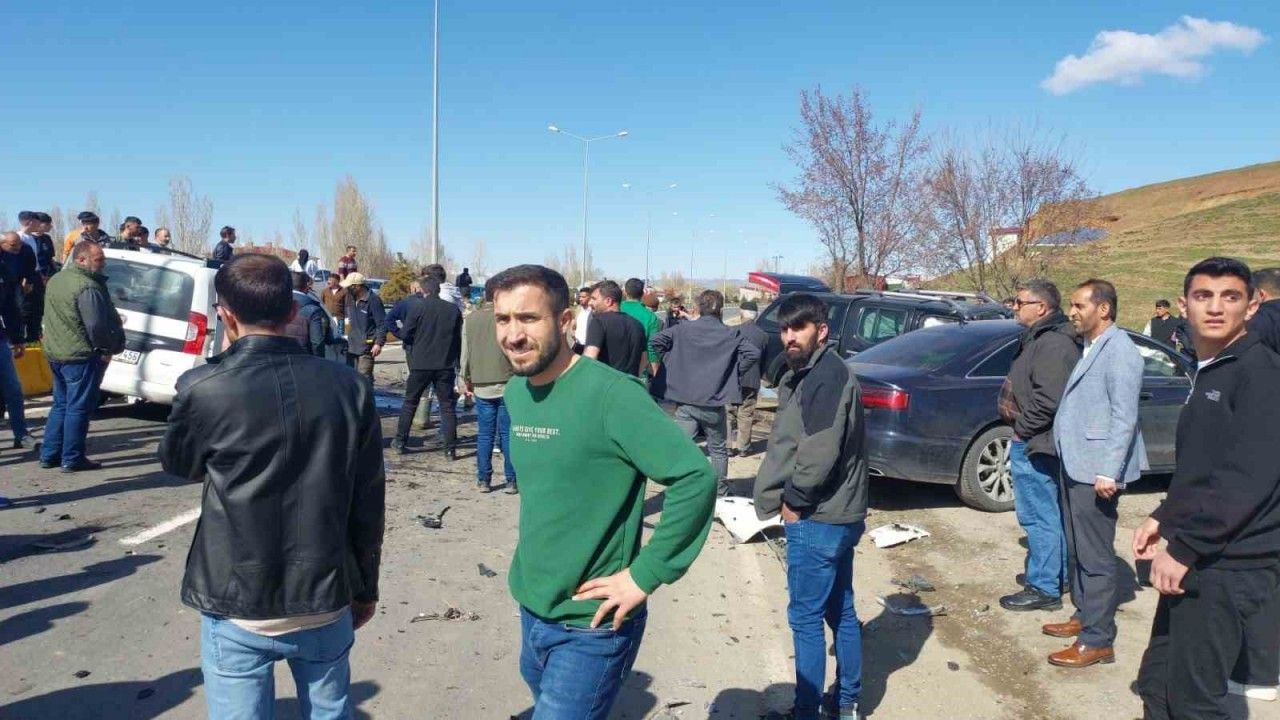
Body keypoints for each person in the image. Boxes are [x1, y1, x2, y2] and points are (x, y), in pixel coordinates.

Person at [158, 253, 384, 720]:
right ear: (293, 311)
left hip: (237, 597)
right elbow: (368, 500)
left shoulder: (203, 386)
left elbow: (181, 465)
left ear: (225, 315)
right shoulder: (349, 387)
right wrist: (365, 587)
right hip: (324, 593)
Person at [491, 264, 716, 719]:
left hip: (590, 626)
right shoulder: (517, 392)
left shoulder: (614, 395)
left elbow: (695, 477)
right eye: (503, 319)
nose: (513, 335)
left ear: (565, 321)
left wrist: (644, 574)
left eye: (528, 318)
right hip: (533, 607)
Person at [1134, 257, 1280, 719]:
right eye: (1204, 296)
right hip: (1204, 553)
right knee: (1158, 683)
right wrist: (1165, 516)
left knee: (1195, 701)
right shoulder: (1215, 367)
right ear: (1185, 305)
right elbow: (1205, 466)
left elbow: (1247, 477)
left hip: (1228, 563)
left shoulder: (1260, 373)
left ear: (1252, 306)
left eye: (1230, 297)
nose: (1215, 308)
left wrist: (1185, 547)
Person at [753, 293, 869, 720]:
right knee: (841, 610)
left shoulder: (826, 376)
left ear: (821, 331)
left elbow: (819, 453)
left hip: (820, 516)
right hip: (840, 514)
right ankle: (846, 702)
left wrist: (794, 503)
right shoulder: (814, 371)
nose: (789, 337)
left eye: (798, 328)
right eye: (784, 329)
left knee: (806, 618)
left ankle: (808, 711)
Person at [1043, 279, 1146, 668]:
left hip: (1097, 472)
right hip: (1077, 464)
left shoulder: (1120, 350)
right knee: (1078, 548)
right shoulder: (1091, 345)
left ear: (1103, 309)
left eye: (1079, 305)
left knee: (1096, 556)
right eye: (1071, 305)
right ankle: (1085, 614)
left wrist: (1109, 470)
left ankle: (1097, 639)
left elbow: (1124, 417)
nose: (1071, 312)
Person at [998, 278, 1080, 612]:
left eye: (1020, 302)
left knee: (1038, 515)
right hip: (1035, 439)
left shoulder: (1054, 344)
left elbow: (1049, 400)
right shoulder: (1040, 338)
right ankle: (1053, 575)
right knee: (1046, 512)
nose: (1014, 307)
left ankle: (1044, 587)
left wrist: (1023, 431)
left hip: (1036, 442)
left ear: (1042, 307)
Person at [651, 290, 761, 497]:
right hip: (714, 401)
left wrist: (674, 365)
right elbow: (753, 353)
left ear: (698, 307)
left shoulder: (682, 329)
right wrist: (734, 372)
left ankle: (681, 487)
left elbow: (656, 341)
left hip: (686, 400)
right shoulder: (729, 333)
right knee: (718, 450)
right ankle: (719, 491)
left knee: (682, 447)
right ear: (721, 309)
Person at [40, 241, 125, 472]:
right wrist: (106, 349)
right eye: (98, 259)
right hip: (79, 356)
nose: (103, 264)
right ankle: (72, 458)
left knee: (61, 404)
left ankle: (49, 454)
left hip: (57, 352)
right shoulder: (88, 287)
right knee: (78, 407)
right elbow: (95, 326)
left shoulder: (57, 279)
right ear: (81, 259)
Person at [390, 277, 462, 458]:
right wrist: (457, 362)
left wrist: (402, 335)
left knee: (410, 402)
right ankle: (450, 449)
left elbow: (405, 333)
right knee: (447, 406)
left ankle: (400, 441)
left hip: (420, 363)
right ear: (438, 290)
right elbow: (458, 339)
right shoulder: (453, 310)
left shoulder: (418, 307)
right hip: (445, 364)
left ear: (423, 290)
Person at [462, 277, 516, 494]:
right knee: (507, 433)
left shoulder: (471, 319)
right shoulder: (507, 318)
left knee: (485, 434)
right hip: (507, 381)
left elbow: (465, 353)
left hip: (481, 382)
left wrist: (465, 378)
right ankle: (512, 480)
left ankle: (484, 480)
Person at [0, 248, 37, 459]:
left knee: (13, 389)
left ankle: (21, 434)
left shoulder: (2, 269)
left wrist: (17, 338)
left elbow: (9, 307)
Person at [728, 300, 768, 456]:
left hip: (732, 379)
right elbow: (764, 361)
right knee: (746, 414)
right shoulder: (763, 336)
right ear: (756, 316)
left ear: (741, 313)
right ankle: (743, 447)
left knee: (729, 413)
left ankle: (727, 447)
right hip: (752, 380)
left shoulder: (732, 331)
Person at [584, 280, 647, 376]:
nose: (590, 303)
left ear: (608, 301)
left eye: (594, 299)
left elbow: (589, 359)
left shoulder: (598, 322)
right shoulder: (638, 325)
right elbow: (644, 360)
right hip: (630, 383)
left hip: (605, 383)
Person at [340, 273, 385, 383]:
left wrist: (378, 343)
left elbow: (382, 324)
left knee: (364, 378)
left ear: (357, 286)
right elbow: (347, 320)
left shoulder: (373, 300)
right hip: (351, 345)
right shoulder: (349, 299)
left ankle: (367, 394)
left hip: (367, 347)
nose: (346, 289)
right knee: (350, 377)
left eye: (349, 287)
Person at [619, 278, 661, 377]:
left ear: (625, 292)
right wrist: (655, 370)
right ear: (642, 294)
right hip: (639, 371)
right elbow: (651, 347)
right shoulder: (651, 317)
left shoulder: (615, 310)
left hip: (613, 369)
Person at [288, 272, 331, 358]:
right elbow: (317, 342)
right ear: (306, 286)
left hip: (282, 356)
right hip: (305, 357)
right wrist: (319, 360)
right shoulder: (313, 309)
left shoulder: (277, 303)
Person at [572, 286, 592, 352]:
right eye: (580, 297)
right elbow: (574, 325)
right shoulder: (578, 309)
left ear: (590, 297)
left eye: (583, 297)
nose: (580, 299)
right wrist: (573, 332)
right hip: (577, 344)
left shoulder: (594, 312)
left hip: (588, 347)